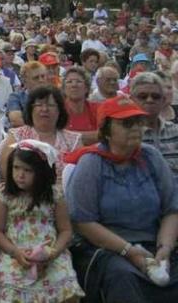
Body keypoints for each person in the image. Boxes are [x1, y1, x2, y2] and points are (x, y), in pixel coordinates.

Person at [66, 96, 178, 301]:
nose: (135, 128)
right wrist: (129, 251)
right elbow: (83, 222)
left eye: (138, 122)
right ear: (107, 131)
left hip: (154, 243)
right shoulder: (91, 163)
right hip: (110, 249)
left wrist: (165, 249)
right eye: (126, 124)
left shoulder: (152, 157)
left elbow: (172, 209)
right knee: (123, 278)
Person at [0, 139, 84, 302]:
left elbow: (65, 230)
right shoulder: (3, 196)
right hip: (13, 252)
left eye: (28, 170)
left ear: (42, 173)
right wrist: (15, 252)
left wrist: (55, 251)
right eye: (16, 168)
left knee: (63, 283)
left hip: (50, 250)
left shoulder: (54, 196)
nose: (20, 175)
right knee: (14, 290)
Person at [0, 86, 82, 185]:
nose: (44, 109)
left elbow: (80, 176)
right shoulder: (16, 136)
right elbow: (8, 175)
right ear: (31, 109)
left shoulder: (74, 141)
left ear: (59, 110)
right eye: (39, 105)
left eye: (50, 105)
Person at [130, 72, 178, 177]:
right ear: (132, 100)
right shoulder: (125, 134)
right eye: (143, 96)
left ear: (163, 100)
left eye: (155, 96)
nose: (149, 100)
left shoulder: (175, 132)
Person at [6, 61, 51, 128]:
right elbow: (16, 120)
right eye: (36, 78)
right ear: (24, 81)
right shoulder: (16, 97)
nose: (41, 80)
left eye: (43, 76)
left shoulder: (53, 96)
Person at [62, 67, 100, 145]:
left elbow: (103, 135)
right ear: (64, 89)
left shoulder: (97, 109)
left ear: (86, 88)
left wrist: (70, 136)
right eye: (69, 82)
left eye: (78, 81)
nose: (74, 85)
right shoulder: (57, 110)